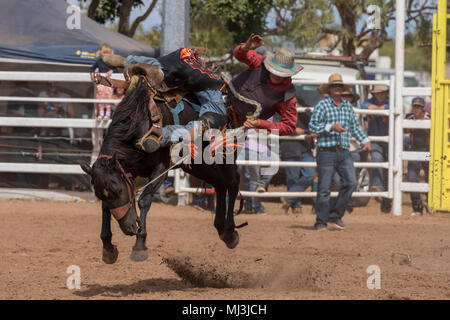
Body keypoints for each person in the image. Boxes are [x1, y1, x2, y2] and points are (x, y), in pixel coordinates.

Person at [309, 73, 371, 231]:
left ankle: (334, 215)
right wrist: (331, 127)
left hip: (343, 151)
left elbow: (355, 127)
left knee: (351, 183)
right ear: (329, 89)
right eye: (334, 86)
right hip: (326, 151)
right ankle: (321, 221)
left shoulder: (348, 106)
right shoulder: (322, 105)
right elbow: (313, 126)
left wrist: (365, 140)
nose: (337, 89)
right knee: (324, 189)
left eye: (339, 86)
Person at [278, 107, 316, 214]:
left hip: (305, 147)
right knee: (292, 178)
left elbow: (313, 124)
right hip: (289, 148)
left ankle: (288, 199)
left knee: (310, 175)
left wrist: (303, 111)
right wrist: (296, 131)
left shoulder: (303, 108)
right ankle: (296, 206)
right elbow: (278, 127)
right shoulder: (280, 108)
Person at [361, 84, 392, 213]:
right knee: (377, 159)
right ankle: (378, 187)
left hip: (389, 140)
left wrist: (375, 110)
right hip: (377, 139)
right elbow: (365, 106)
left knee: (388, 171)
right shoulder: (368, 103)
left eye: (382, 93)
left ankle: (386, 200)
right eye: (377, 93)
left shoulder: (390, 102)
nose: (379, 95)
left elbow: (369, 108)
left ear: (386, 93)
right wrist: (382, 110)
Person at [405, 97, 430, 216]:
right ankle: (417, 206)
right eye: (414, 106)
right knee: (411, 177)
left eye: (418, 107)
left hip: (428, 150)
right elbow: (403, 129)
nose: (416, 109)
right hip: (414, 149)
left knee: (430, 177)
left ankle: (430, 203)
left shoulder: (429, 118)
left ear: (423, 108)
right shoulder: (409, 118)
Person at [90, 43, 118, 120]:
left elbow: (116, 69)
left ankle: (107, 114)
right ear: (101, 52)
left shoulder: (111, 61)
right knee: (101, 96)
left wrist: (112, 71)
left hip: (109, 82)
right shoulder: (99, 61)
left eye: (107, 53)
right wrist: (92, 73)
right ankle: (101, 114)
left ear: (110, 53)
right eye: (104, 52)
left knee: (108, 97)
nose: (105, 54)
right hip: (101, 82)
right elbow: (92, 68)